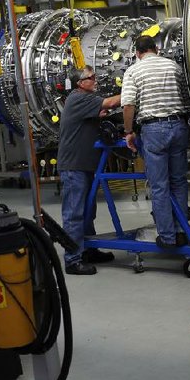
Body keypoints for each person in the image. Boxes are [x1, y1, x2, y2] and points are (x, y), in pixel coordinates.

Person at [121, 36, 190, 248]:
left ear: (137, 53)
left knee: (160, 186)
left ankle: (168, 237)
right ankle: (182, 231)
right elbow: (186, 97)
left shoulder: (133, 71)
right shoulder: (174, 66)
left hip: (154, 130)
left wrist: (129, 131)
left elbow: (128, 105)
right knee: (178, 182)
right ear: (157, 49)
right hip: (179, 126)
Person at [57, 65, 121, 275]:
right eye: (90, 77)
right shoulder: (78, 98)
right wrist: (132, 88)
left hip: (83, 164)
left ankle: (88, 250)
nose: (95, 80)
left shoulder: (83, 100)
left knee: (87, 211)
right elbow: (111, 102)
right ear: (79, 83)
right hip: (74, 166)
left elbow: (104, 109)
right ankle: (73, 260)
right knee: (74, 213)